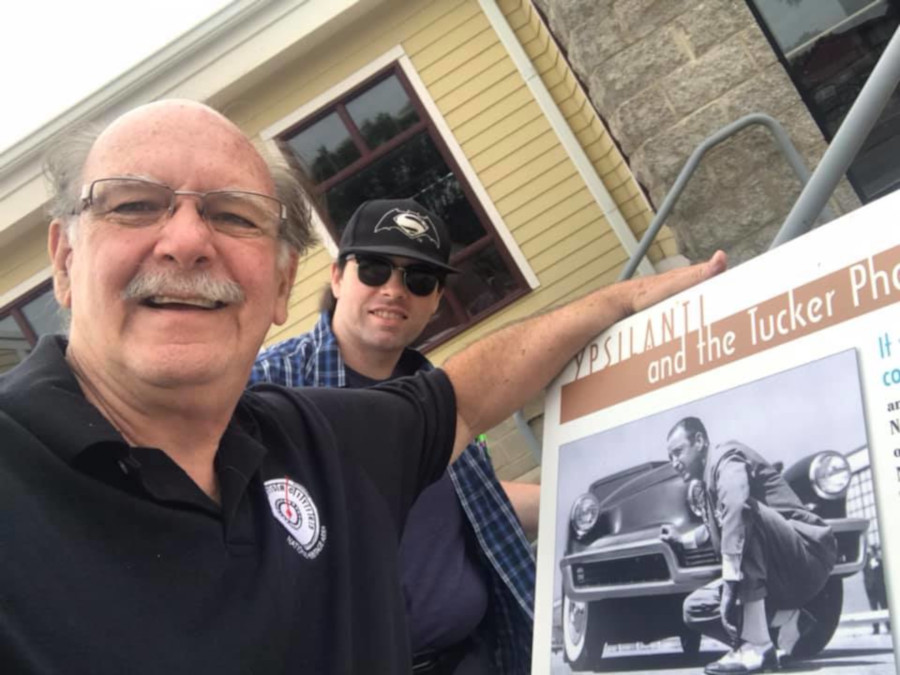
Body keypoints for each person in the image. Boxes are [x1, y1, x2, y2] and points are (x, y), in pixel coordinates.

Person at [0, 98, 725, 675]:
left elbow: (475, 392)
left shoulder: (316, 432)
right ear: (63, 259)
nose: (187, 240)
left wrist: (618, 303)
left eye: (232, 216)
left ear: (281, 283)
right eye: (134, 204)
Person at [251, 198, 538, 674]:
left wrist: (573, 496)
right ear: (339, 276)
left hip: (482, 656)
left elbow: (471, 508)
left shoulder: (445, 398)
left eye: (419, 279)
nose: (394, 289)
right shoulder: (260, 389)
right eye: (375, 269)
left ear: (436, 299)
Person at [662, 417, 837, 675]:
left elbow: (737, 509)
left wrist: (731, 583)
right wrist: (681, 539)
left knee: (744, 517)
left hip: (807, 557)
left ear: (699, 441)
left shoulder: (725, 457)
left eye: (678, 452)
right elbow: (713, 527)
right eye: (670, 457)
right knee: (694, 608)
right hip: (778, 576)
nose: (674, 463)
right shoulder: (708, 484)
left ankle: (756, 645)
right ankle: (787, 623)